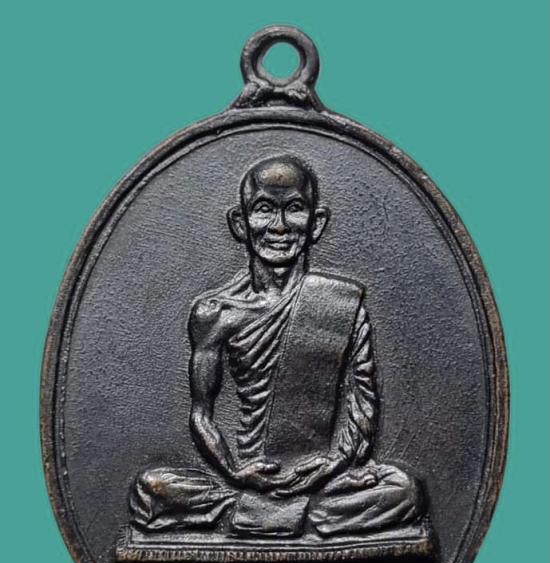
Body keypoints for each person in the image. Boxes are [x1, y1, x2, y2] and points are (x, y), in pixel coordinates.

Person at [131, 156, 423, 537]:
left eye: (295, 209)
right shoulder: (215, 314)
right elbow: (201, 416)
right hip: (244, 477)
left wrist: (334, 464)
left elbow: (362, 403)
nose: (280, 226)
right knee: (151, 489)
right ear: (241, 223)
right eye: (264, 209)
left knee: (404, 491)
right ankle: (289, 516)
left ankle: (258, 517)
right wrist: (236, 472)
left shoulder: (343, 305)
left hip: (322, 479)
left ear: (316, 223)